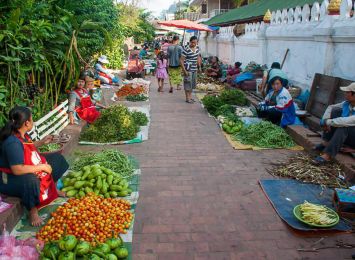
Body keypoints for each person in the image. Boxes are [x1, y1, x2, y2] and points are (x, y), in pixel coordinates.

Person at [0, 106, 69, 226]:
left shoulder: (22, 134)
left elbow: (26, 148)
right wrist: (41, 167)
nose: (33, 121)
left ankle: (53, 189)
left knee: (57, 159)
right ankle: (33, 210)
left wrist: (42, 142)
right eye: (32, 119)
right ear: (26, 123)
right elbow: (17, 169)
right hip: (9, 179)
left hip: (24, 167)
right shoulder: (12, 142)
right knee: (31, 179)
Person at [313, 83, 355, 165]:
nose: (345, 94)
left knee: (344, 126)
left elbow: (345, 121)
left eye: (347, 92)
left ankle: (327, 155)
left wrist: (327, 122)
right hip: (348, 135)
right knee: (336, 111)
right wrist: (324, 120)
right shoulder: (347, 103)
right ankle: (327, 142)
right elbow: (331, 107)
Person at [180, 36, 202, 104]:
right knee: (187, 83)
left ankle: (190, 97)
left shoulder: (197, 48)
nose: (193, 44)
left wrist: (199, 67)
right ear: (190, 42)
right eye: (192, 42)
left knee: (192, 84)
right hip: (188, 69)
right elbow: (181, 60)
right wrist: (184, 71)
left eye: (195, 43)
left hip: (194, 69)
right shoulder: (186, 49)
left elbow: (198, 57)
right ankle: (187, 98)